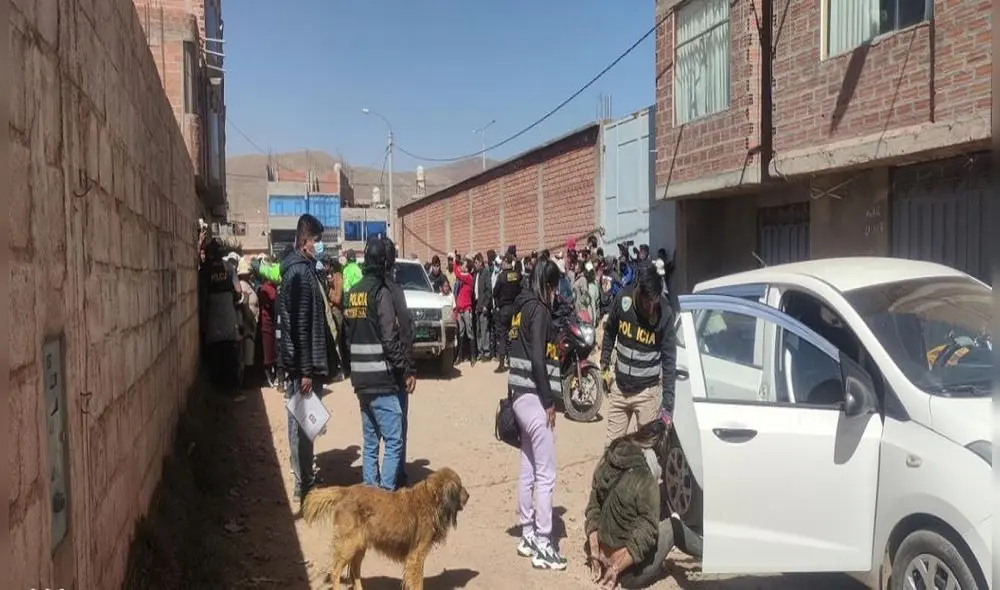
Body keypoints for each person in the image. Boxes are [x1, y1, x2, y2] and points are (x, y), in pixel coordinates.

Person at [507, 258, 568, 571]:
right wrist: (548, 401)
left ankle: (527, 533)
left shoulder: (521, 309)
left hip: (518, 398)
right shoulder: (540, 310)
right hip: (533, 398)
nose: (556, 293)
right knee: (546, 474)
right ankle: (544, 543)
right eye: (555, 286)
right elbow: (536, 358)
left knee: (528, 468)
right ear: (548, 284)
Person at [342, 235, 414, 491]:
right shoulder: (380, 292)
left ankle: (369, 496)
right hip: (382, 381)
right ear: (384, 263)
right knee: (394, 440)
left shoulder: (352, 293)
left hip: (360, 381)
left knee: (370, 443)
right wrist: (405, 370)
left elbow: (346, 337)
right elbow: (389, 336)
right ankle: (383, 497)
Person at [276, 214, 331, 506]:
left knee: (306, 423)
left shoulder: (304, 270)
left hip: (301, 363)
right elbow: (299, 325)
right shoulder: (299, 273)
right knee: (301, 424)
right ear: (304, 241)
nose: (319, 246)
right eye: (317, 241)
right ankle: (303, 483)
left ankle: (305, 476)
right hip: (302, 366)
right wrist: (306, 370)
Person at [584, 420, 675, 589]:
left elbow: (594, 503)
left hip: (600, 552)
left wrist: (595, 550)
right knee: (673, 526)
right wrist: (616, 568)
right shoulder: (646, 479)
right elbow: (647, 532)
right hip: (624, 571)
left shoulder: (612, 453)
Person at [599, 265, 678, 446]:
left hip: (647, 393)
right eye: (646, 302)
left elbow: (669, 361)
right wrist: (604, 365)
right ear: (638, 291)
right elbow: (610, 331)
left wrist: (667, 406)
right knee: (612, 449)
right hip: (619, 390)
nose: (650, 308)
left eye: (654, 303)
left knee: (647, 452)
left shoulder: (665, 313)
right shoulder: (623, 300)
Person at [382, 236, 416, 487]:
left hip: (370, 373)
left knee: (372, 437)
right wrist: (408, 369)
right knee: (397, 430)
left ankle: (374, 484)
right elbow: (404, 331)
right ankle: (395, 478)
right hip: (394, 372)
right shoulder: (394, 291)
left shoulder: (363, 288)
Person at [199, 239, 242, 397]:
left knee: (215, 352)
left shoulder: (205, 270)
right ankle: (232, 388)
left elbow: (202, 296)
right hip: (228, 312)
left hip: (212, 313)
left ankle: (217, 389)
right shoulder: (230, 268)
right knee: (230, 350)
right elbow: (238, 291)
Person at [492, 253, 521, 373]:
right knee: (514, 335)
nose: (502, 264)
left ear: (507, 262)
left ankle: (502, 364)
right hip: (515, 309)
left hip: (504, 310)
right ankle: (516, 362)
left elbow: (495, 292)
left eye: (503, 262)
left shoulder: (501, 276)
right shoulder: (517, 275)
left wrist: (498, 303)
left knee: (503, 336)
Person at [236, 258, 260, 391]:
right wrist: (250, 320)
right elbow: (245, 305)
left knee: (248, 353)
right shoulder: (243, 286)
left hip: (249, 324)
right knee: (247, 354)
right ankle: (245, 383)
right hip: (247, 325)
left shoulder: (247, 284)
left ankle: (246, 381)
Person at [453, 256, 476, 365]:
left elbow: (457, 274)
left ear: (467, 269)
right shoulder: (464, 278)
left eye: (464, 265)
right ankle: (460, 356)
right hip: (460, 309)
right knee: (461, 333)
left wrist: (454, 262)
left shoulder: (468, 277)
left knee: (469, 332)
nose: (462, 266)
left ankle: (472, 356)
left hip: (466, 309)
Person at [475, 251, 494, 361]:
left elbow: (488, 290)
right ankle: (480, 351)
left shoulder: (485, 272)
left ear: (481, 262)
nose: (475, 265)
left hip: (483, 306)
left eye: (476, 262)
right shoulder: (477, 274)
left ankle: (486, 353)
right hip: (477, 305)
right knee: (478, 330)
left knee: (484, 329)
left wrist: (486, 305)